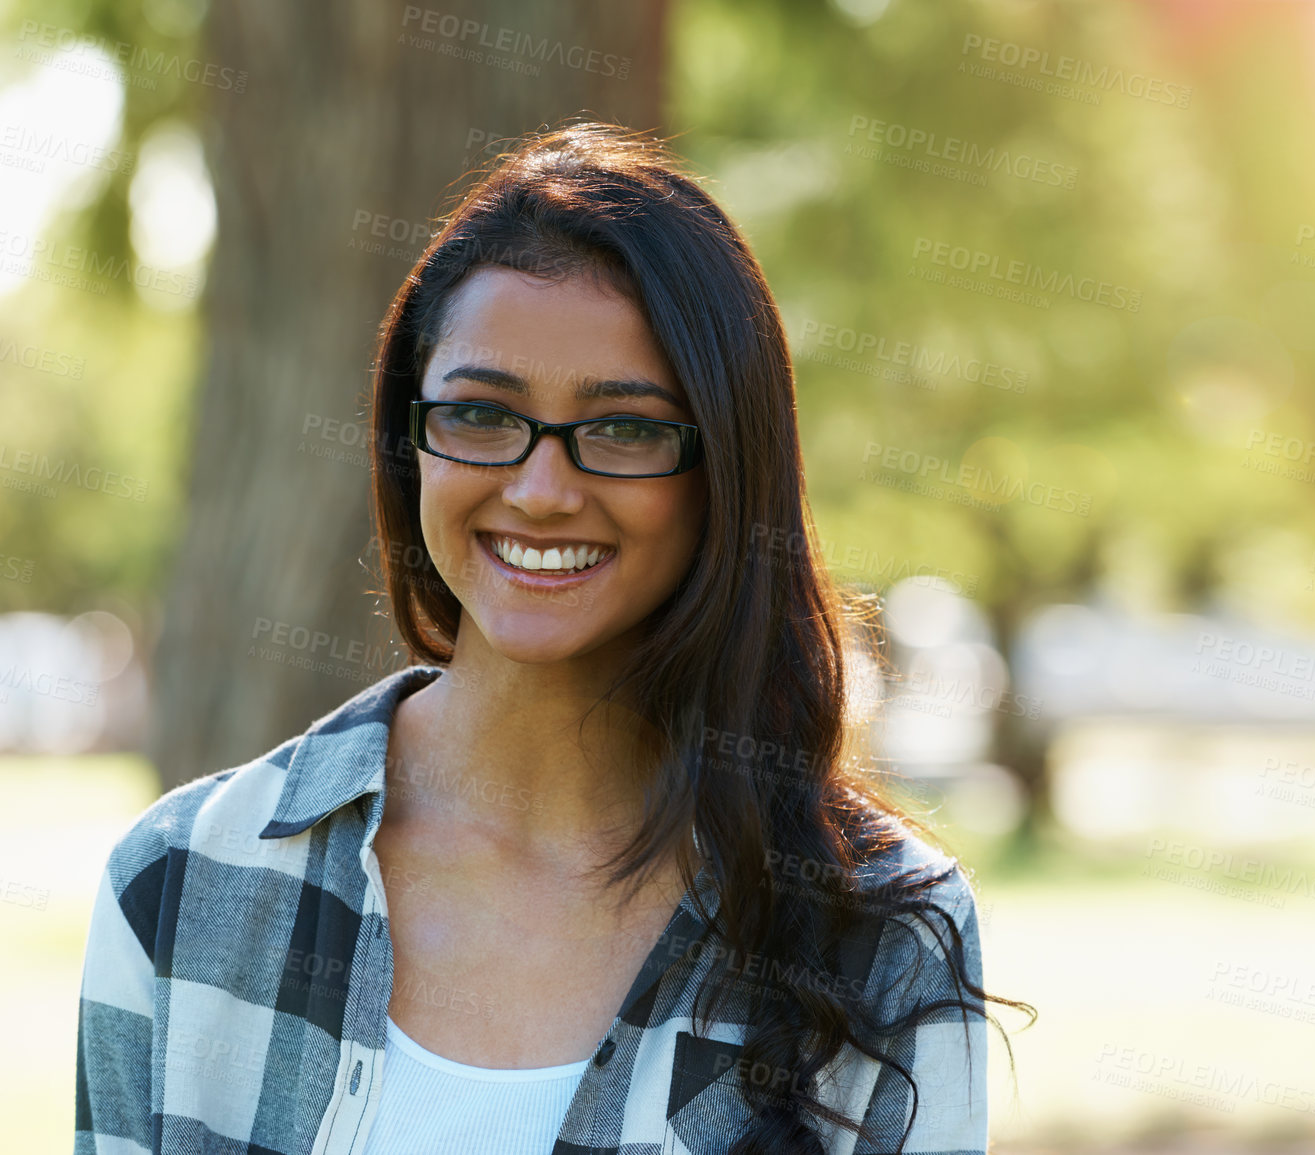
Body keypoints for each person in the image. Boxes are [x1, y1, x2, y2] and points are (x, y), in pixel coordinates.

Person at [74, 121, 1024, 1155]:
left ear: (726, 470)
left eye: (624, 429)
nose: (538, 491)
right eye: (482, 414)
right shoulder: (183, 881)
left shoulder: (879, 931)